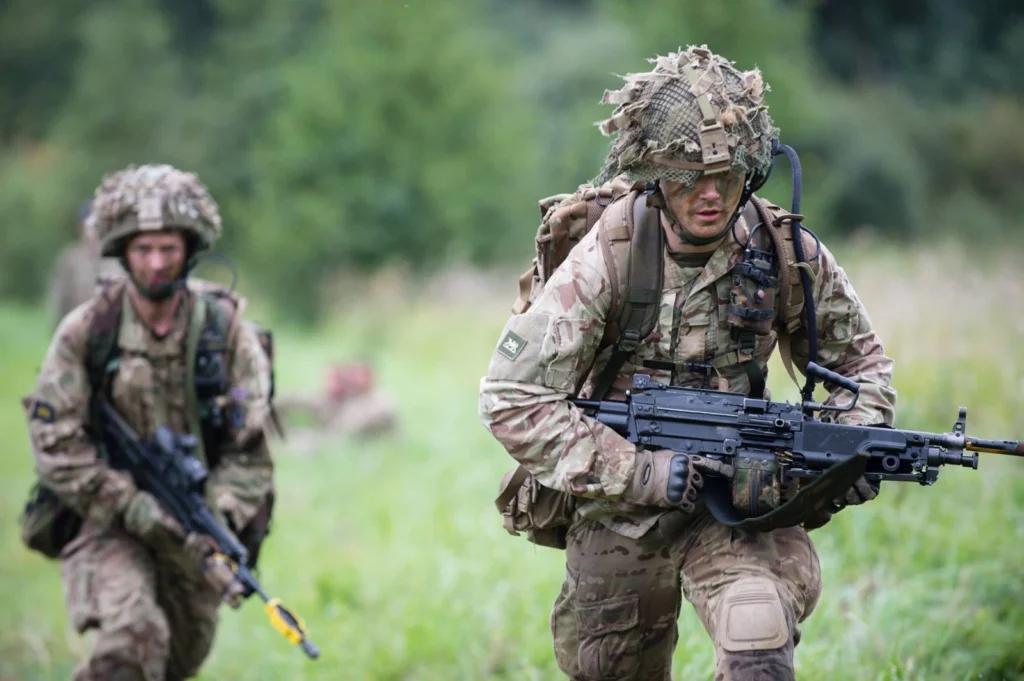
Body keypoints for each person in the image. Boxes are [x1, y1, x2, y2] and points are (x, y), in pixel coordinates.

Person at [479, 46, 896, 680]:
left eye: (726, 176)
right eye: (687, 177)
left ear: (750, 171)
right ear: (653, 174)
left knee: (757, 635)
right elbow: (511, 398)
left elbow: (863, 367)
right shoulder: (607, 258)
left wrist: (846, 448)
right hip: (622, 507)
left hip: (745, 500)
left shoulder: (784, 250)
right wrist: (640, 471)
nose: (710, 195)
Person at [22, 164, 275, 681]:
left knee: (175, 661)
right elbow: (56, 445)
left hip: (195, 530)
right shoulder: (89, 331)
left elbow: (250, 453)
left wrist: (217, 517)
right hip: (104, 518)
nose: (156, 263)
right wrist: (132, 506)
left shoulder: (224, 332)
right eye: (143, 249)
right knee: (134, 638)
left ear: (190, 248)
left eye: (168, 248)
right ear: (121, 251)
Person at [275, 360, 396, 454]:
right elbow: (300, 400)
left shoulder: (379, 404)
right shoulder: (345, 399)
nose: (354, 380)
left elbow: (348, 432)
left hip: (357, 448)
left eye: (358, 375)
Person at [47, 200, 123, 328]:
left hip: (112, 329)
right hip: (77, 328)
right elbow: (60, 299)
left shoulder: (115, 257)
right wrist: (59, 328)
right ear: (80, 227)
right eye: (88, 226)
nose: (92, 232)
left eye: (97, 226)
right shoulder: (70, 259)